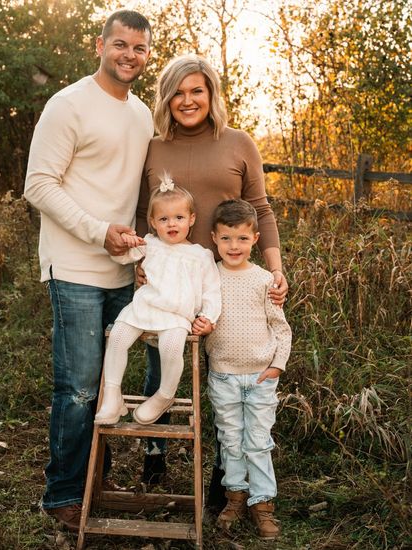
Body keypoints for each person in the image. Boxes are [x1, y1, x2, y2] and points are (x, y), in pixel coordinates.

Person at [135, 54, 289, 505]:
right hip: (167, 280)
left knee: (225, 373)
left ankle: (227, 477)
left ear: (211, 94)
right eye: (178, 92)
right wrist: (138, 263)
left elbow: (261, 210)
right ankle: (154, 453)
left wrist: (275, 269)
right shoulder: (154, 146)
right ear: (167, 98)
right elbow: (139, 211)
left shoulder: (238, 142)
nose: (187, 100)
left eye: (196, 90)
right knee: (159, 365)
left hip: (228, 280)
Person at [23, 10, 153, 532]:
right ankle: (62, 495)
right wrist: (98, 231)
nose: (129, 55)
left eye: (139, 48)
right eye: (119, 44)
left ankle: (96, 481)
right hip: (75, 265)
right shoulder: (68, 104)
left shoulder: (144, 115)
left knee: (109, 387)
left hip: (123, 269)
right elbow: (38, 185)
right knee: (77, 387)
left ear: (147, 54)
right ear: (99, 45)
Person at [95, 178, 221, 426]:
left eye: (178, 218)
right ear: (153, 223)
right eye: (163, 219)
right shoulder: (149, 244)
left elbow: (212, 291)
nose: (171, 223)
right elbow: (122, 258)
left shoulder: (200, 255)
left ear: (191, 219)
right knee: (118, 336)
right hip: (143, 308)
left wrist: (209, 317)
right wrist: (126, 244)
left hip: (177, 315)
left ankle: (164, 395)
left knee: (172, 346)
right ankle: (112, 394)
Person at [202, 198, 291, 539]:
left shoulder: (264, 279)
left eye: (241, 238)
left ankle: (263, 505)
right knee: (230, 440)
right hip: (222, 373)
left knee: (257, 441)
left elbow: (281, 328)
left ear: (255, 238)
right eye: (226, 238)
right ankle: (235, 497)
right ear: (214, 238)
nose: (233, 246)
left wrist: (276, 367)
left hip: (259, 377)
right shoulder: (209, 278)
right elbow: (203, 315)